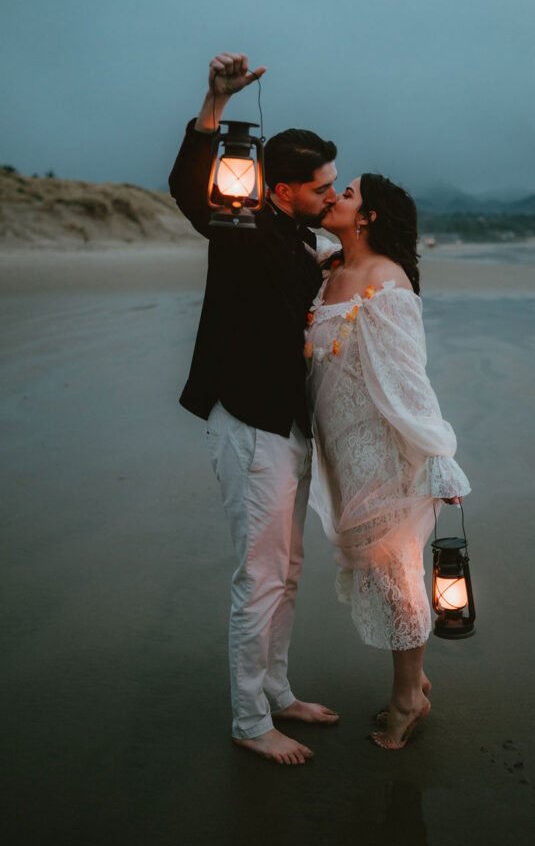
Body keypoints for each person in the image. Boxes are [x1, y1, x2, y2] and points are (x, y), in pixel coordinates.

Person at [169, 52, 340, 765]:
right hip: (249, 425)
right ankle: (248, 721)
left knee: (290, 568)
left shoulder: (308, 239)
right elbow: (188, 188)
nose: (331, 196)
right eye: (320, 188)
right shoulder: (238, 227)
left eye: (334, 186)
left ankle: (277, 689)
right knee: (259, 576)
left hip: (292, 428)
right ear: (278, 190)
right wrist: (214, 105)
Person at [305, 173, 471, 749]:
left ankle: (407, 699)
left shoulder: (387, 283)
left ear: (369, 216)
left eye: (346, 194)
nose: (334, 199)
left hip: (380, 449)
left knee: (393, 567)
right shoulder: (329, 267)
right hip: (343, 448)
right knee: (374, 562)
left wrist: (439, 456)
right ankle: (414, 678)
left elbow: (410, 380)